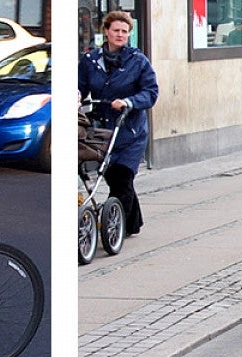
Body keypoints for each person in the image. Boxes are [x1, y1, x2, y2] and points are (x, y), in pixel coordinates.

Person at [80, 11, 159, 238]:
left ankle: (117, 230)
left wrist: (128, 101)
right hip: (102, 130)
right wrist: (76, 95)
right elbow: (81, 85)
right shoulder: (90, 61)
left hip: (130, 130)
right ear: (106, 31)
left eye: (125, 31)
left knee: (122, 178)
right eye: (116, 30)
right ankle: (133, 222)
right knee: (114, 178)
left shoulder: (138, 61)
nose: (120, 35)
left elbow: (151, 93)